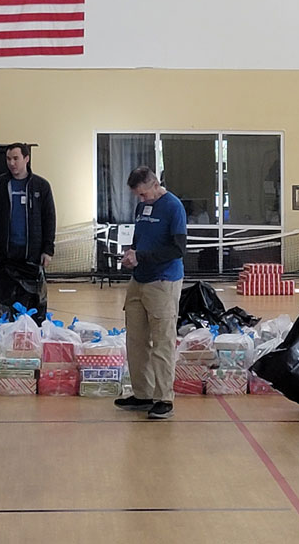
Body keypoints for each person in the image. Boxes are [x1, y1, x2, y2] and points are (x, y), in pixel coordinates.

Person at [113, 166, 187, 420]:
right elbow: (139, 240)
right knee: (136, 340)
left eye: (144, 194)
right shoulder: (142, 208)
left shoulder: (173, 207)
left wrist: (142, 256)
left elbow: (177, 249)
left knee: (162, 341)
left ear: (155, 185)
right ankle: (142, 393)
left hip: (163, 282)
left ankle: (164, 398)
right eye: (138, 196)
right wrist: (131, 255)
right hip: (139, 280)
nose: (141, 199)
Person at [0, 143, 56, 320]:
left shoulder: (41, 186)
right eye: (8, 159)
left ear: (26, 159)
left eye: (16, 158)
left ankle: (29, 329)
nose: (11, 163)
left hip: (31, 255)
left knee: (31, 303)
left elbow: (49, 219)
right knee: (4, 304)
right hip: (5, 255)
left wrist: (48, 250)